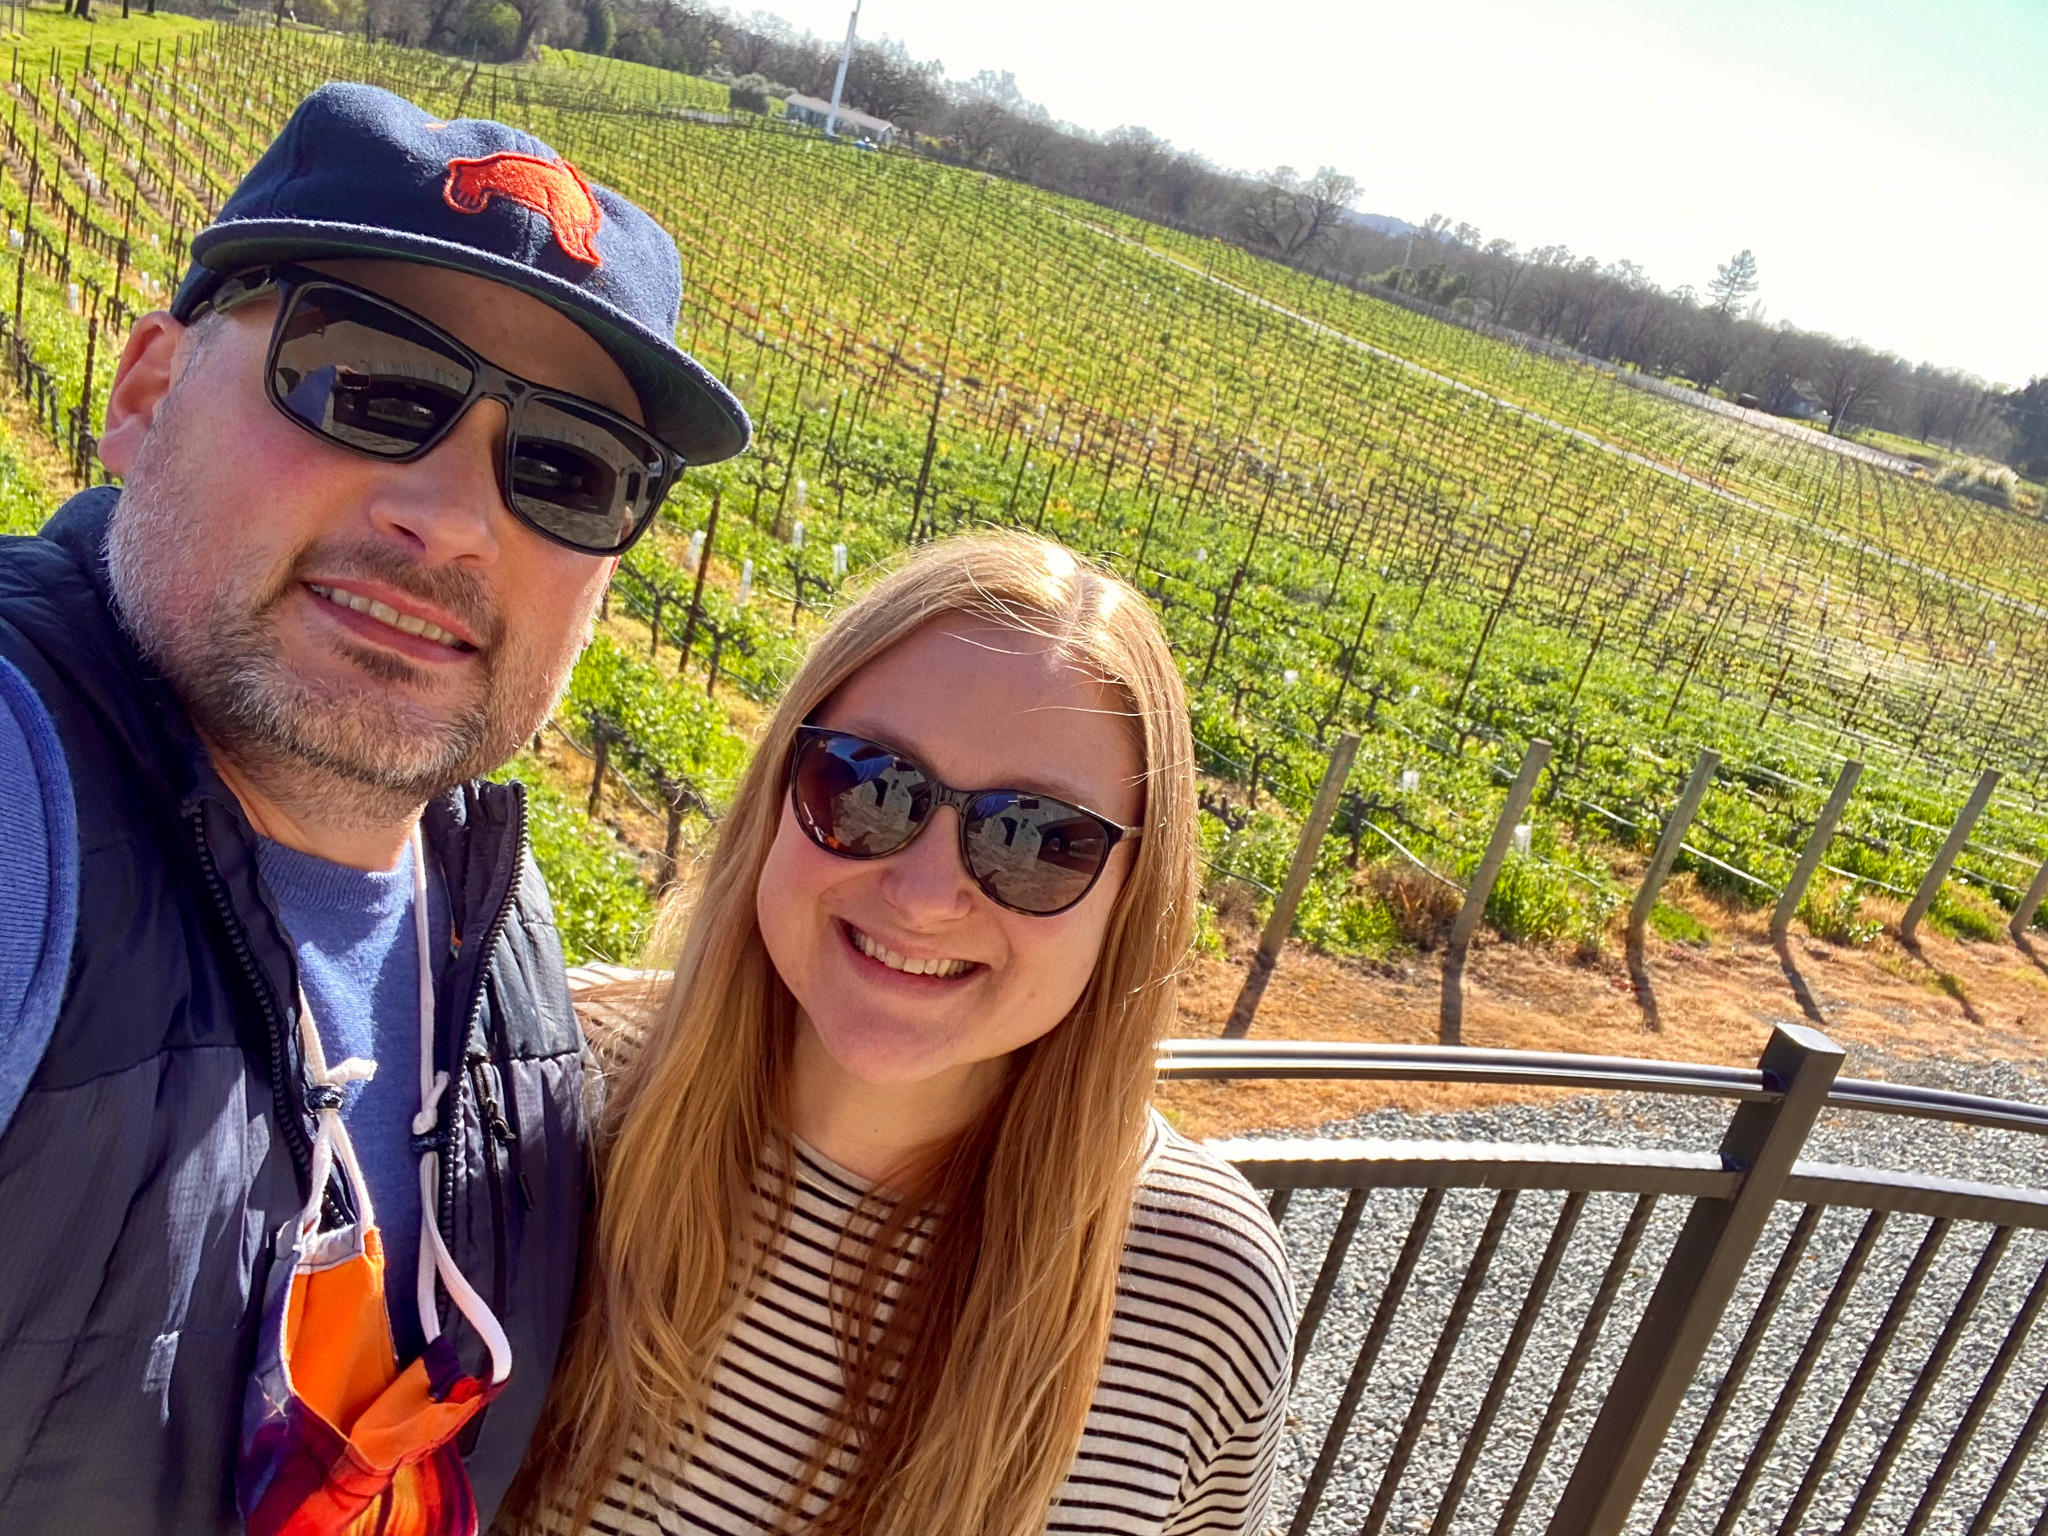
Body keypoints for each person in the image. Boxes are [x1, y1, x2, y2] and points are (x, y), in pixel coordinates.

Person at [0, 81, 748, 1533]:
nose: (452, 517)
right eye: (365, 380)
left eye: (567, 469)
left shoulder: (496, 924)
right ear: (145, 394)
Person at [512, 532, 1296, 1536]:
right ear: (780, 789)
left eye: (1034, 838)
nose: (925, 895)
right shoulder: (539, 1083)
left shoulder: (1196, 1289)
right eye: (867, 783)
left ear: (1131, 901)